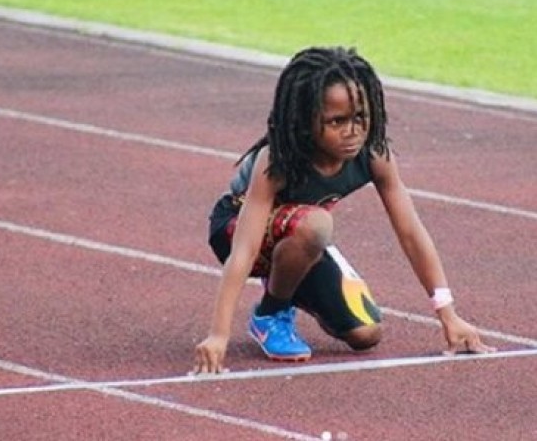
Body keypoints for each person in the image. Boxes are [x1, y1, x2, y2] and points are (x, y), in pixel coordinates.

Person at [194, 46, 493, 374]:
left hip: (302, 235)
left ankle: (289, 275)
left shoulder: (374, 154)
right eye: (337, 121)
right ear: (306, 121)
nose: (352, 131)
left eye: (360, 117)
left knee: (366, 333)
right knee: (317, 224)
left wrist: (447, 314)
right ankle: (271, 313)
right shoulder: (277, 160)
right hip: (236, 229)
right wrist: (218, 335)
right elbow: (244, 250)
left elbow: (411, 233)